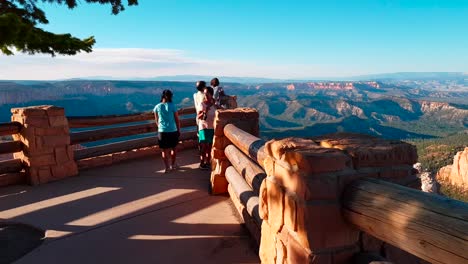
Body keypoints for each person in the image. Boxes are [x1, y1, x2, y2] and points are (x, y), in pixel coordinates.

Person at [154, 89, 181, 173]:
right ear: (170, 96)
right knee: (174, 148)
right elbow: (177, 119)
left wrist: (161, 128)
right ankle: (173, 165)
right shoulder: (172, 106)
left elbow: (156, 120)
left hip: (162, 131)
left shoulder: (157, 106)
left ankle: (167, 167)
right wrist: (178, 130)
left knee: (164, 150)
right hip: (173, 130)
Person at [197, 86, 216, 170]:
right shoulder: (202, 104)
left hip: (212, 127)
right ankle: (202, 163)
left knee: (210, 146)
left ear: (211, 94)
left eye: (207, 93)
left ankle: (207, 162)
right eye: (204, 94)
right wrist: (205, 110)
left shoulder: (215, 104)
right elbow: (199, 116)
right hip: (203, 127)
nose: (205, 95)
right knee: (203, 146)